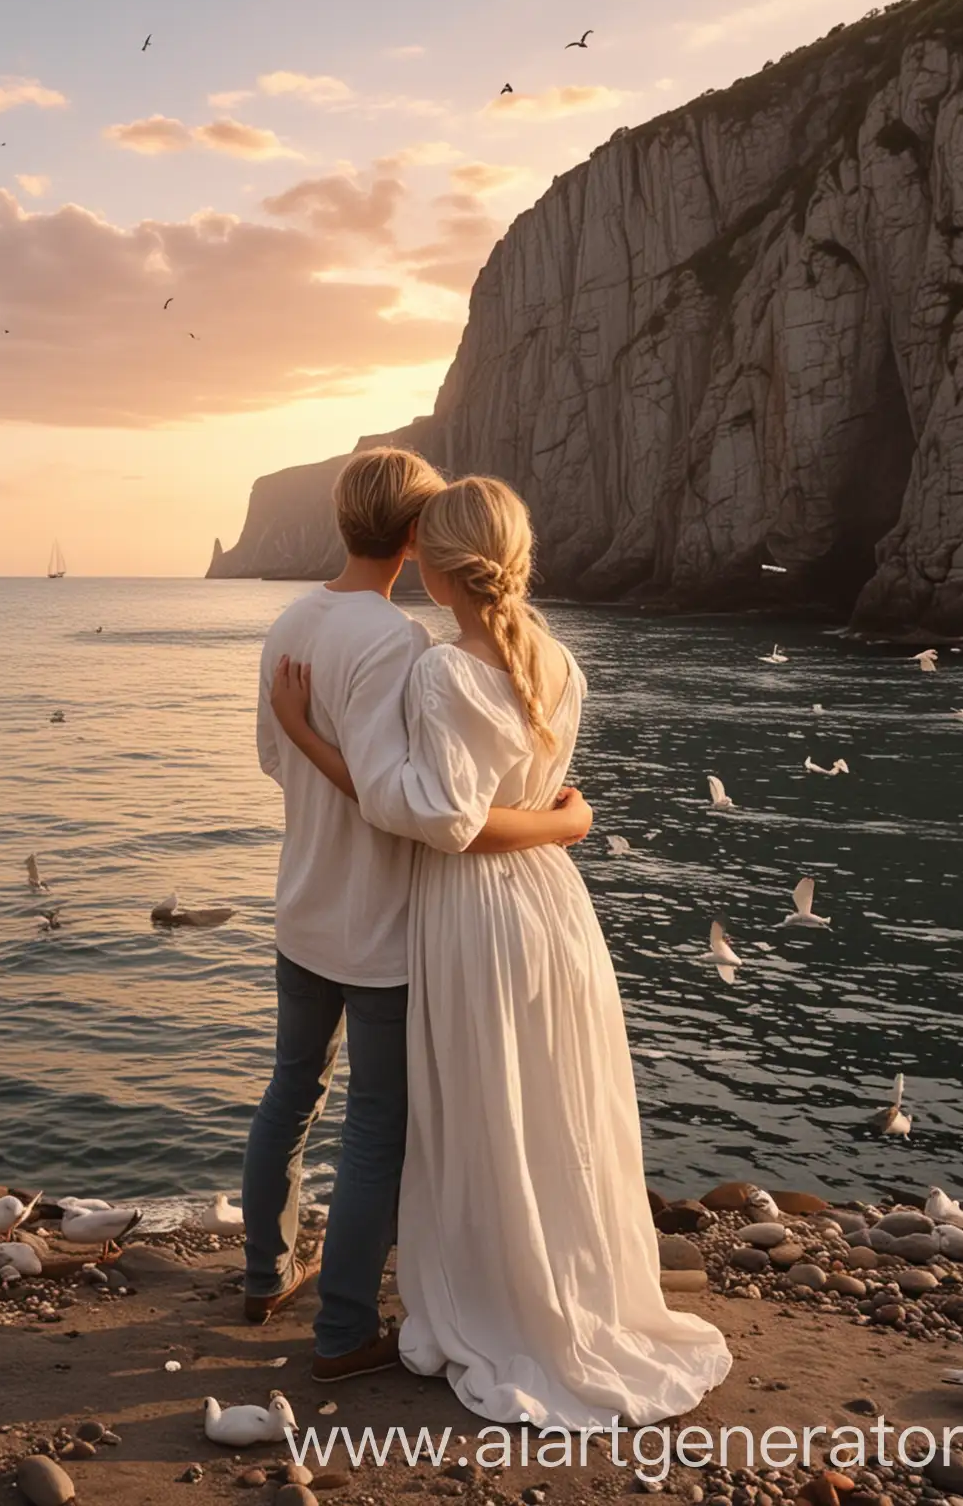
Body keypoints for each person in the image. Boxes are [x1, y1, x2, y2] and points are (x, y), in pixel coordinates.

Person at [269, 475, 731, 1426]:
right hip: (554, 916)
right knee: (553, 1107)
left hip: (476, 915)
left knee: (482, 1118)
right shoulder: (560, 661)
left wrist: (305, 735)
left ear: (434, 573)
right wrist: (568, 828)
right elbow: (513, 800)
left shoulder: (442, 670)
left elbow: (439, 819)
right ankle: (568, 1289)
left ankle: (498, 1302)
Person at [245, 449, 594, 1385]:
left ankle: (262, 1274)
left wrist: (309, 742)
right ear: (413, 535)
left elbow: (279, 762)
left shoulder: (291, 620)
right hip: (388, 924)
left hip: (302, 904)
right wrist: (565, 821)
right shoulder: (401, 645)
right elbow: (419, 804)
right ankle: (344, 1327)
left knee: (289, 1092)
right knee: (375, 1127)